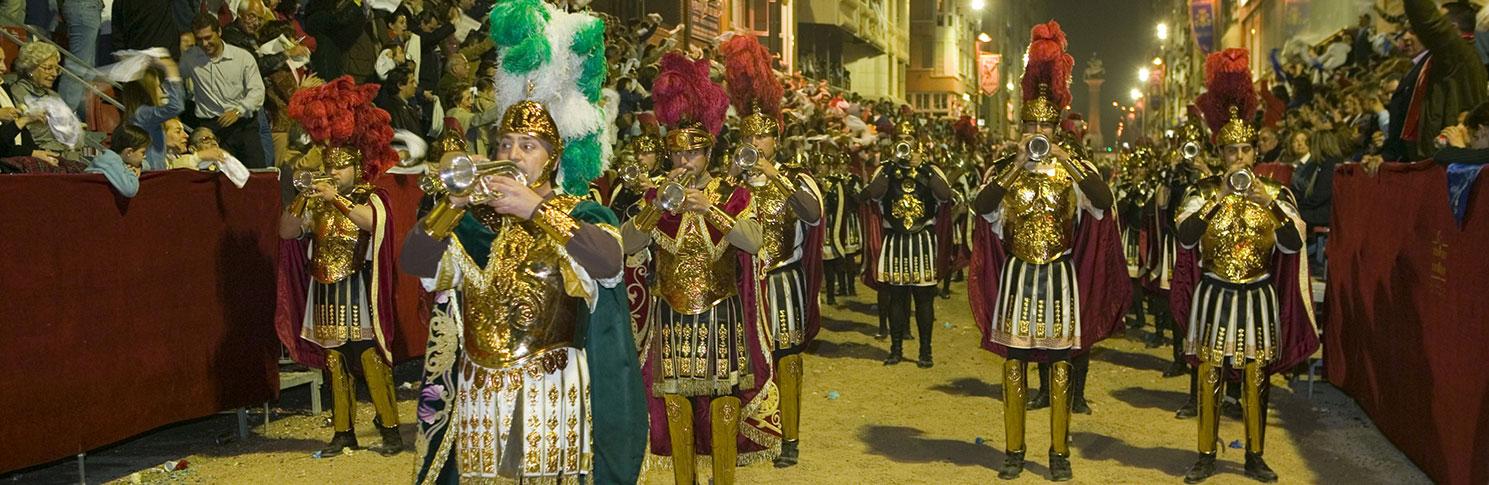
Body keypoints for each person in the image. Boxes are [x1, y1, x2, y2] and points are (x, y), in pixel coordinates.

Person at [409, 5, 644, 481]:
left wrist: (536, 209)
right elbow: (413, 260)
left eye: (527, 146)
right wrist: (452, 204)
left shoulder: (583, 212)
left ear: (552, 158)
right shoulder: (472, 221)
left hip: (552, 393)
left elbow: (609, 262)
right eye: (505, 143)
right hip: (479, 395)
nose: (513, 154)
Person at [966, 20, 1126, 482]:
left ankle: (1059, 453)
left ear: (1056, 126)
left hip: (1059, 277)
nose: (1037, 131)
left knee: (1060, 366)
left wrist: (1065, 158)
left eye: (1044, 125)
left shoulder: (1071, 169)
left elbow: (1103, 202)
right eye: (1031, 125)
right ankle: (1014, 451)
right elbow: (983, 208)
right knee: (1014, 364)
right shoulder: (1005, 167)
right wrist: (1016, 165)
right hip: (1018, 275)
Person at [623, 52, 776, 484]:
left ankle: (723, 479)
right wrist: (656, 207)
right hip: (671, 311)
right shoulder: (657, 194)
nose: (683, 163)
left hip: (720, 310)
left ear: (707, 153)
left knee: (725, 398)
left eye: (692, 154)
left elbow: (753, 241)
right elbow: (627, 245)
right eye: (677, 156)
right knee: (675, 401)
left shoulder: (731, 192)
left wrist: (712, 210)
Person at [1175, 48, 1318, 484]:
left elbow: (1294, 244)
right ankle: (1205, 452)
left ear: (1255, 151)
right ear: (1220, 153)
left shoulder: (1277, 193)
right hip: (1215, 292)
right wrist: (1220, 197)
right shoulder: (1202, 190)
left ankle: (1255, 454)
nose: (1238, 157)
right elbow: (1184, 236)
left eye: (1245, 149)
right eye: (1230, 150)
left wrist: (1267, 205)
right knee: (1210, 372)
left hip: (1257, 293)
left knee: (1257, 374)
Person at [273, 77, 403, 458]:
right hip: (324, 286)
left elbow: (372, 224)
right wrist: (301, 198)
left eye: (341, 167)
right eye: (330, 165)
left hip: (358, 285)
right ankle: (343, 432)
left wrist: (338, 199)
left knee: (367, 355)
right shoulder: (316, 202)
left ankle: (391, 429)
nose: (334, 172)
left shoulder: (371, 197)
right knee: (334, 359)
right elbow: (286, 232)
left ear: (358, 167)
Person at [722, 34, 824, 469]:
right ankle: (746, 432)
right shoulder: (732, 179)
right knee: (740, 360)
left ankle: (791, 437)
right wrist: (730, 177)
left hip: (783, 280)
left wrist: (772, 175)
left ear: (775, 141)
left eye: (763, 139)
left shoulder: (795, 174)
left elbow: (814, 214)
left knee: (787, 358)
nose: (756, 145)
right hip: (741, 279)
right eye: (750, 138)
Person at [862, 119, 951, 368]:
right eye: (899, 139)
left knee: (924, 298)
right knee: (896, 298)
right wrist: (891, 167)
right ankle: (896, 348)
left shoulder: (930, 168)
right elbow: (874, 193)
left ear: (917, 142)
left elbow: (945, 195)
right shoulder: (885, 169)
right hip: (895, 240)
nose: (904, 143)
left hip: (922, 240)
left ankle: (926, 351)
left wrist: (924, 167)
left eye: (909, 139)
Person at [1378, 0, 1487, 163]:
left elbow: (1426, 19)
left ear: (1452, 28)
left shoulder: (1460, 53)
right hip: (1428, 158)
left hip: (1446, 160)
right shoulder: (1439, 59)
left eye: (1439, 19)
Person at [181, 14, 269, 168]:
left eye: (208, 37)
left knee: (256, 173)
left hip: (243, 126)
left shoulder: (242, 57)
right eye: (199, 39)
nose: (204, 43)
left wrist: (238, 111)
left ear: (219, 32)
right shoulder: (190, 58)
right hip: (212, 129)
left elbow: (257, 91)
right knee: (218, 178)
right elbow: (173, 79)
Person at [120, 57, 185, 171]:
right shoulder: (143, 114)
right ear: (148, 90)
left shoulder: (143, 114)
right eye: (158, 87)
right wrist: (171, 71)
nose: (163, 92)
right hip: (151, 174)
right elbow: (176, 106)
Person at [86, 124, 148, 197]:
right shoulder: (110, 162)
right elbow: (130, 190)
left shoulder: (121, 158)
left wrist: (139, 167)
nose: (144, 156)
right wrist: (132, 172)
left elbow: (147, 165)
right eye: (142, 153)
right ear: (129, 152)